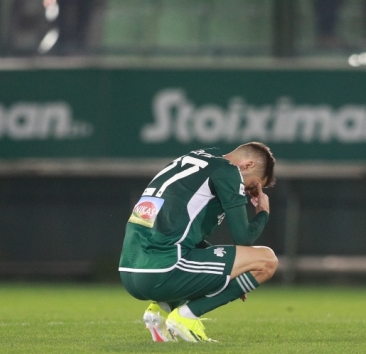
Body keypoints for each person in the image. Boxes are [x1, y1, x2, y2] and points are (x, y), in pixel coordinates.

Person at [118, 143, 278, 342]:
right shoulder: (227, 171)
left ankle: (161, 310)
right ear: (247, 165)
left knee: (193, 252)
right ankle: (186, 317)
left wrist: (230, 272)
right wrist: (263, 213)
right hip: (162, 269)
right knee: (267, 260)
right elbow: (244, 238)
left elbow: (185, 238)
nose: (247, 192)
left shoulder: (195, 160)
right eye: (252, 186)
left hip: (129, 269)